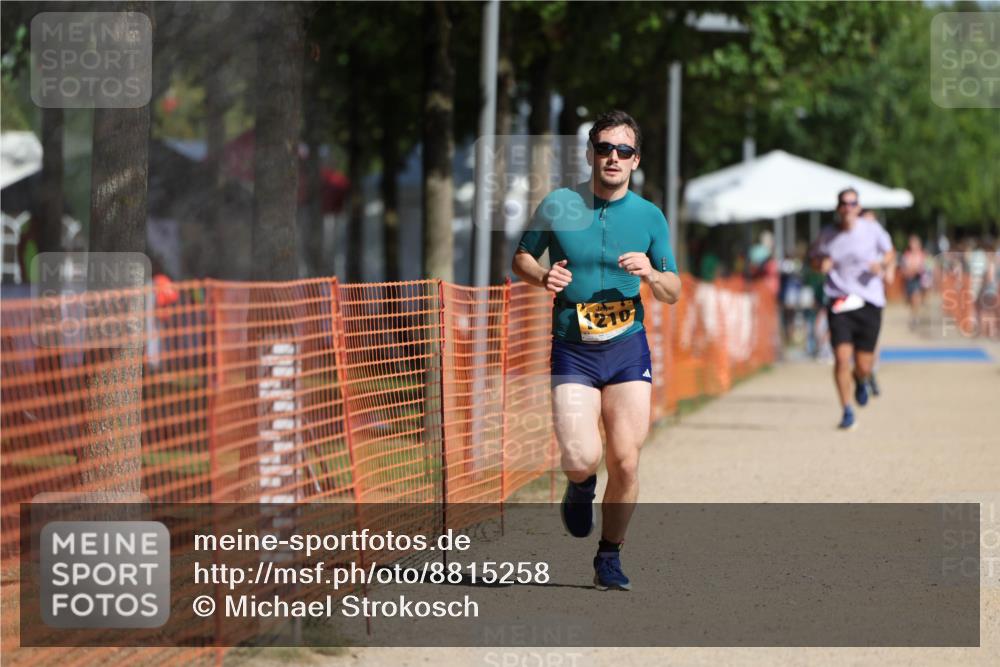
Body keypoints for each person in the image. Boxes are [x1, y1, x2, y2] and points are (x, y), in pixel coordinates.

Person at [512, 110, 681, 590]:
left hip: (627, 348)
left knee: (625, 459)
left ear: (636, 160)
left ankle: (609, 555)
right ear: (590, 154)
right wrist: (543, 275)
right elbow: (521, 256)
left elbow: (672, 289)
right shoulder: (559, 205)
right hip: (573, 348)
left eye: (623, 150)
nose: (613, 157)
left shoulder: (649, 216)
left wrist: (650, 273)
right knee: (581, 456)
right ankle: (581, 484)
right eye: (604, 148)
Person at [810, 189, 895, 430]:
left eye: (852, 203)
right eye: (844, 204)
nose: (848, 208)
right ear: (838, 208)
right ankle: (847, 410)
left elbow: (890, 252)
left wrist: (882, 264)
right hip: (840, 300)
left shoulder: (872, 229)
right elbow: (813, 258)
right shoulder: (827, 235)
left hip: (869, 301)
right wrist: (820, 264)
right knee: (840, 358)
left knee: (864, 365)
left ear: (858, 207)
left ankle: (862, 379)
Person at [900, 234, 929, 330]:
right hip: (909, 280)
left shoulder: (922, 255)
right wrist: (908, 272)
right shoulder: (906, 255)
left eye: (915, 243)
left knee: (915, 297)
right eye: (912, 243)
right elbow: (903, 268)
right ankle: (913, 314)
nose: (913, 245)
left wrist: (918, 270)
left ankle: (915, 317)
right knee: (910, 301)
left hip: (919, 280)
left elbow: (926, 267)